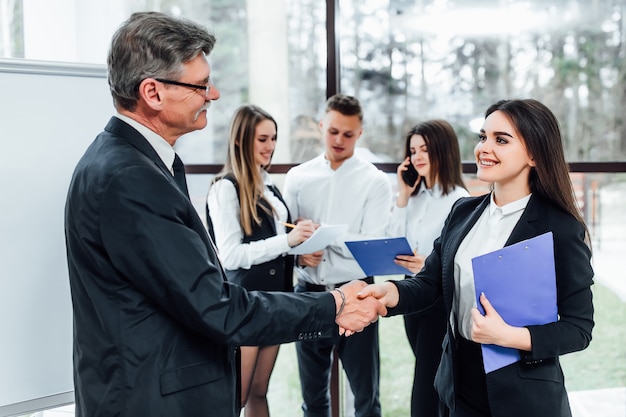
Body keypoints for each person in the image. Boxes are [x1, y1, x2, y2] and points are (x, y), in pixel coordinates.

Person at [64, 12, 384, 417]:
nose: (212, 95)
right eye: (200, 85)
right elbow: (215, 306)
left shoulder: (133, 161)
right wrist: (334, 304)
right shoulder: (130, 177)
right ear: (152, 92)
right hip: (152, 399)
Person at [360, 98, 594, 417]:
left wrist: (509, 336)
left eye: (501, 140)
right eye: (483, 137)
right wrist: (393, 292)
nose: (484, 147)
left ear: (535, 154)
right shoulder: (463, 212)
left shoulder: (560, 228)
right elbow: (431, 283)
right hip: (457, 384)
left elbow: (578, 328)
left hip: (523, 396)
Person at [283, 93, 392, 417]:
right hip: (309, 297)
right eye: (333, 132)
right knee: (313, 401)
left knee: (366, 398)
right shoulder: (297, 177)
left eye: (348, 134)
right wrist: (301, 254)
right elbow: (287, 238)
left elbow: (372, 245)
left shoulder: (375, 181)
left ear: (359, 133)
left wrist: (325, 233)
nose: (340, 140)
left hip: (358, 293)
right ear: (321, 126)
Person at [207, 104, 317, 417]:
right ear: (240, 141)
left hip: (276, 300)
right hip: (246, 303)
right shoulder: (226, 189)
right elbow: (230, 255)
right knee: (236, 397)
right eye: (263, 140)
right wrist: (288, 241)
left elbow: (276, 245)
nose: (270, 147)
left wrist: (299, 256)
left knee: (259, 390)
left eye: (273, 139)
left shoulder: (268, 185)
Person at [387, 120, 469, 417]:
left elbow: (463, 257)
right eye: (413, 150)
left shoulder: (459, 200)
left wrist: (430, 264)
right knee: (433, 379)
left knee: (426, 385)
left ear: (442, 151)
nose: (417, 156)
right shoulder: (414, 197)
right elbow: (393, 238)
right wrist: (403, 195)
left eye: (425, 148)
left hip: (438, 302)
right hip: (411, 299)